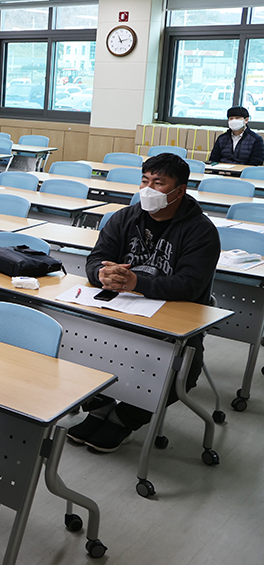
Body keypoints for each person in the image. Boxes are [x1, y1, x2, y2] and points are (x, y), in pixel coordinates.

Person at [71, 153, 219, 453]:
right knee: (74, 338)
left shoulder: (200, 231)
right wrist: (101, 273)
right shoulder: (125, 218)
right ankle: (99, 406)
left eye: (159, 183)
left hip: (170, 325)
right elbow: (96, 257)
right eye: (145, 181)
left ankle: (125, 417)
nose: (148, 189)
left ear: (180, 190)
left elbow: (190, 285)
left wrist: (136, 282)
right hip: (118, 313)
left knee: (168, 371)